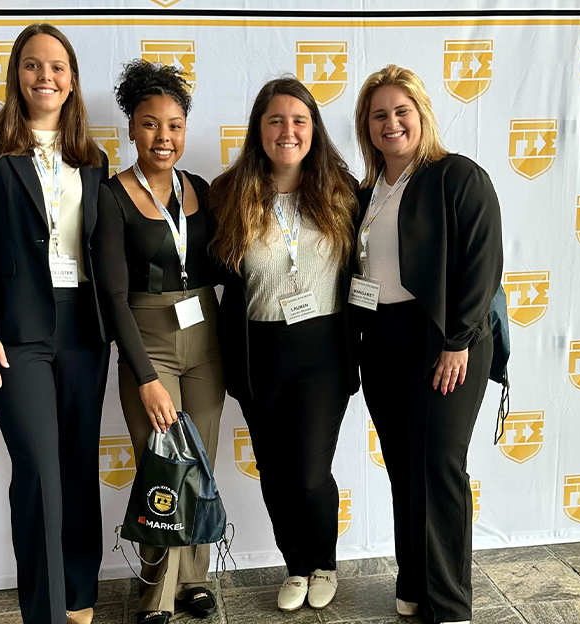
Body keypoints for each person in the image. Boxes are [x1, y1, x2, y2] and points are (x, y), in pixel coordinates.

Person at [0, 23, 110, 624]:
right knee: (39, 469)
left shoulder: (92, 158)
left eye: (58, 67)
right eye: (34, 65)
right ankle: (44, 611)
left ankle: (81, 595)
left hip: (84, 331)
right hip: (15, 333)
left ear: (72, 81)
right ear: (16, 73)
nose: (47, 76)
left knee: (77, 464)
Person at [351, 64, 503, 624]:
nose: (391, 123)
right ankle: (412, 579)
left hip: (447, 339)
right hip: (383, 341)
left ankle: (450, 603)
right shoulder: (367, 193)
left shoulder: (457, 176)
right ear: (366, 126)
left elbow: (482, 265)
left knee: (439, 465)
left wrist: (457, 340)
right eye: (378, 114)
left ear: (422, 116)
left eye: (401, 111)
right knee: (403, 467)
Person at [208, 76, 359, 613]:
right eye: (275, 120)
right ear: (259, 129)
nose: (287, 131)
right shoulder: (228, 193)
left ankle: (324, 561)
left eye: (299, 120)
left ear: (314, 129)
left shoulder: (343, 190)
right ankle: (296, 564)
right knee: (274, 470)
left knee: (311, 472)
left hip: (322, 350)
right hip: (258, 351)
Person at [93, 60, 225, 624]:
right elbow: (113, 297)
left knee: (201, 463)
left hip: (206, 339)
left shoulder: (201, 189)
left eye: (173, 124)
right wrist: (144, 375)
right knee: (161, 467)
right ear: (131, 128)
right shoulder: (112, 195)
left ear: (186, 129)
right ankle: (153, 593)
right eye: (150, 124)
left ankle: (192, 580)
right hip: (149, 342)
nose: (162, 137)